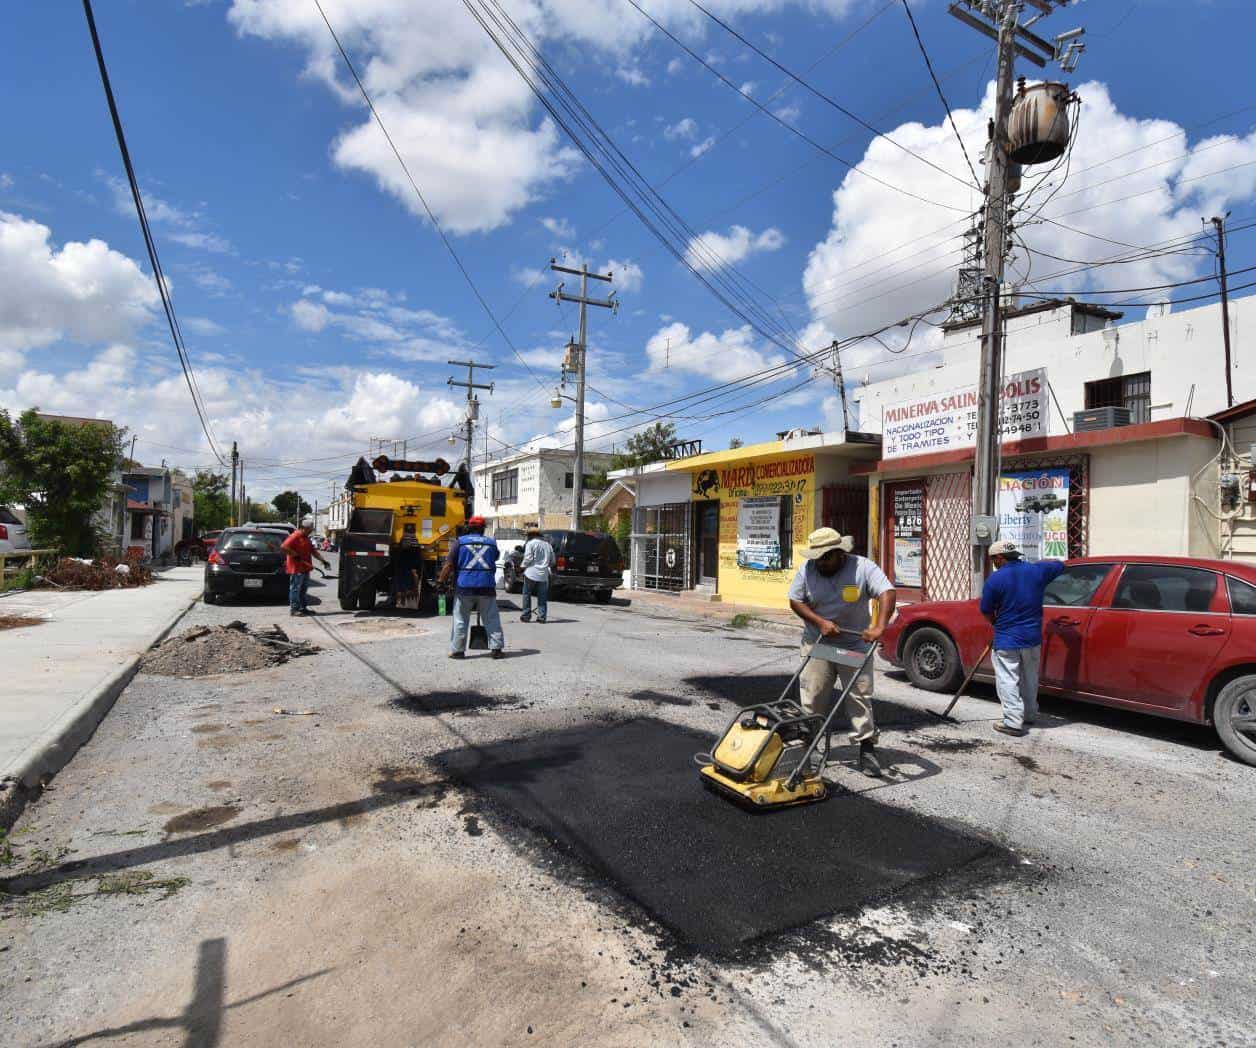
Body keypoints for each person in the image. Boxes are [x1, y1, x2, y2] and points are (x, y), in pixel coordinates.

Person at [787, 527, 896, 778]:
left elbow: (887, 592)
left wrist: (879, 626)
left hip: (851, 646)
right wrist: (820, 622)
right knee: (813, 696)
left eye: (826, 557)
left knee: (859, 697)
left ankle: (866, 747)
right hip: (820, 644)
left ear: (840, 553)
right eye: (817, 558)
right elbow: (795, 600)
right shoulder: (808, 569)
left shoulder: (863, 567)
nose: (820, 563)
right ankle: (808, 745)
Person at [979, 539, 1064, 737]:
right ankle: (1029, 714)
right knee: (1030, 678)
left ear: (1000, 558)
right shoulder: (1037, 571)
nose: (993, 563)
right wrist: (1043, 561)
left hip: (1007, 638)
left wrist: (995, 623)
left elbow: (986, 610)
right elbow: (1060, 565)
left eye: (993, 559)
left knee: (1008, 679)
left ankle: (1012, 721)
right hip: (1032, 637)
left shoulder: (995, 579)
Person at [438, 515, 504, 659]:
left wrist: (441, 582)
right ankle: (496, 649)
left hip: (464, 587)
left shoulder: (459, 543)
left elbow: (448, 565)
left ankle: (458, 650)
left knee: (460, 618)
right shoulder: (491, 543)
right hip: (486, 586)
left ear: (468, 527)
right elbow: (495, 557)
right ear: (482, 529)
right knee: (492, 618)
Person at [280, 517, 330, 617]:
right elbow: (284, 547)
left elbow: (313, 552)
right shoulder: (295, 536)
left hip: (305, 568)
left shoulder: (306, 538)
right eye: (309, 530)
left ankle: (303, 608)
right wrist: (294, 554)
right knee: (295, 589)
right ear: (303, 528)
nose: (310, 532)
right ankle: (294, 609)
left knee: (303, 590)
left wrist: (323, 561)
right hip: (296, 568)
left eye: (311, 530)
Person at [519, 525, 555, 623]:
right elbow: (552, 562)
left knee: (527, 594)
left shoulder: (530, 544)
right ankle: (542, 617)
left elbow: (528, 558)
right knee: (542, 596)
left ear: (531, 535)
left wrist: (521, 567)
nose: (527, 537)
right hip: (543, 575)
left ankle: (526, 615)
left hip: (531, 573)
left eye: (527, 535)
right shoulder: (548, 545)